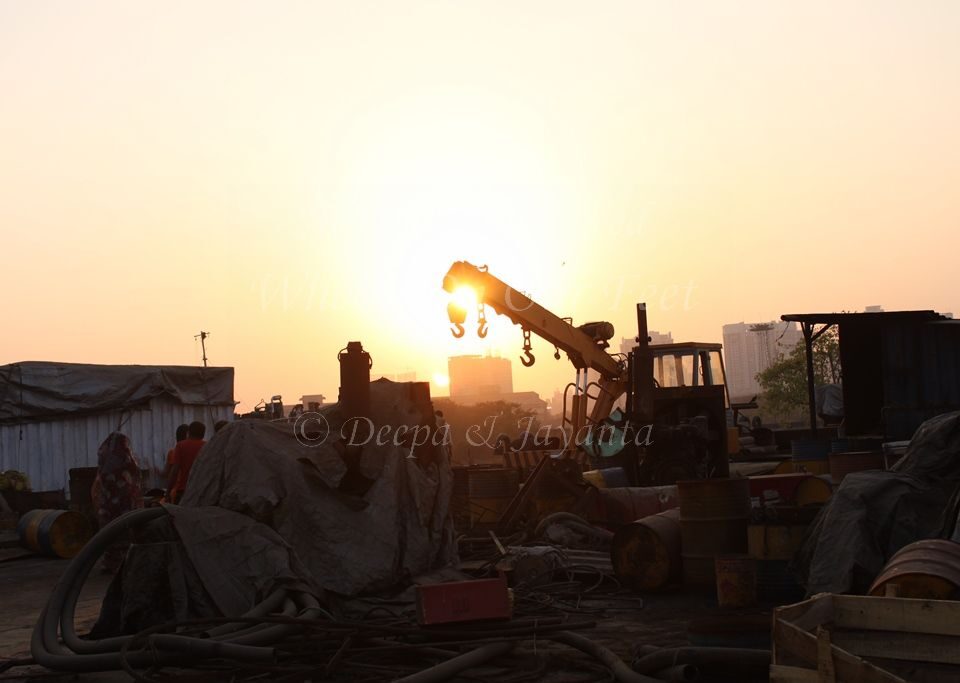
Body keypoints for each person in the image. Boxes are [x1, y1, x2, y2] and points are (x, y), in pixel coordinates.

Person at [91, 432, 143, 572]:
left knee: (111, 535)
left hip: (108, 507)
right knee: (125, 533)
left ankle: (112, 562)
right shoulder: (127, 461)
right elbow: (135, 481)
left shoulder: (105, 463)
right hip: (125, 506)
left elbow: (98, 485)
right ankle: (125, 562)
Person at [167, 421, 206, 503]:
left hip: (184, 490)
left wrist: (167, 492)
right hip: (202, 490)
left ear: (189, 432)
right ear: (203, 434)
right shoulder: (207, 446)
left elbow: (175, 470)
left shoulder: (181, 446)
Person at [160, 424, 189, 488]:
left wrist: (157, 471)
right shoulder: (196, 451)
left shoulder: (172, 452)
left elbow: (165, 473)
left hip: (175, 489)